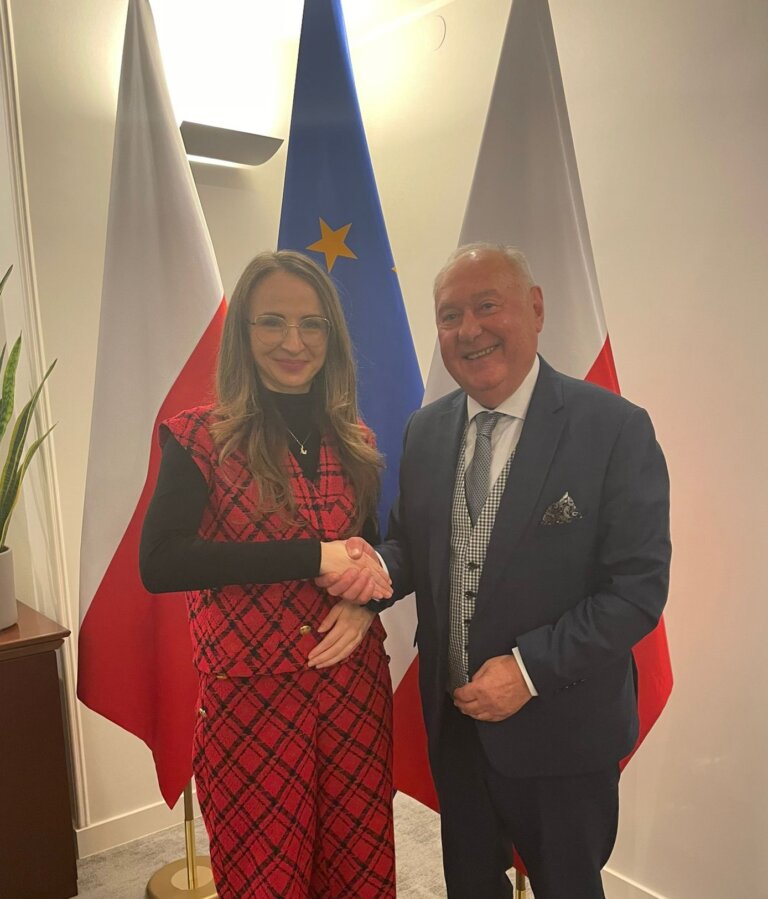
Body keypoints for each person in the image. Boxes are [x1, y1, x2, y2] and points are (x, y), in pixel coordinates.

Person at [320, 243, 671, 899]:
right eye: (450, 315)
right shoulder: (425, 430)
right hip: (456, 726)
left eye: (487, 305)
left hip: (565, 731)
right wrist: (371, 577)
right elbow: (410, 544)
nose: (469, 329)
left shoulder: (614, 429)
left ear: (535, 309)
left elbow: (637, 591)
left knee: (569, 887)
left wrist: (529, 670)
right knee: (471, 885)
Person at [140, 250, 397, 899]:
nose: (293, 341)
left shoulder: (356, 441)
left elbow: (370, 552)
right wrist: (312, 555)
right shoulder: (198, 438)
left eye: (311, 324)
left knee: (360, 876)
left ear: (331, 336)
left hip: (353, 695)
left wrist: (365, 603)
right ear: (244, 332)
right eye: (273, 321)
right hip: (250, 707)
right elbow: (161, 561)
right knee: (264, 882)